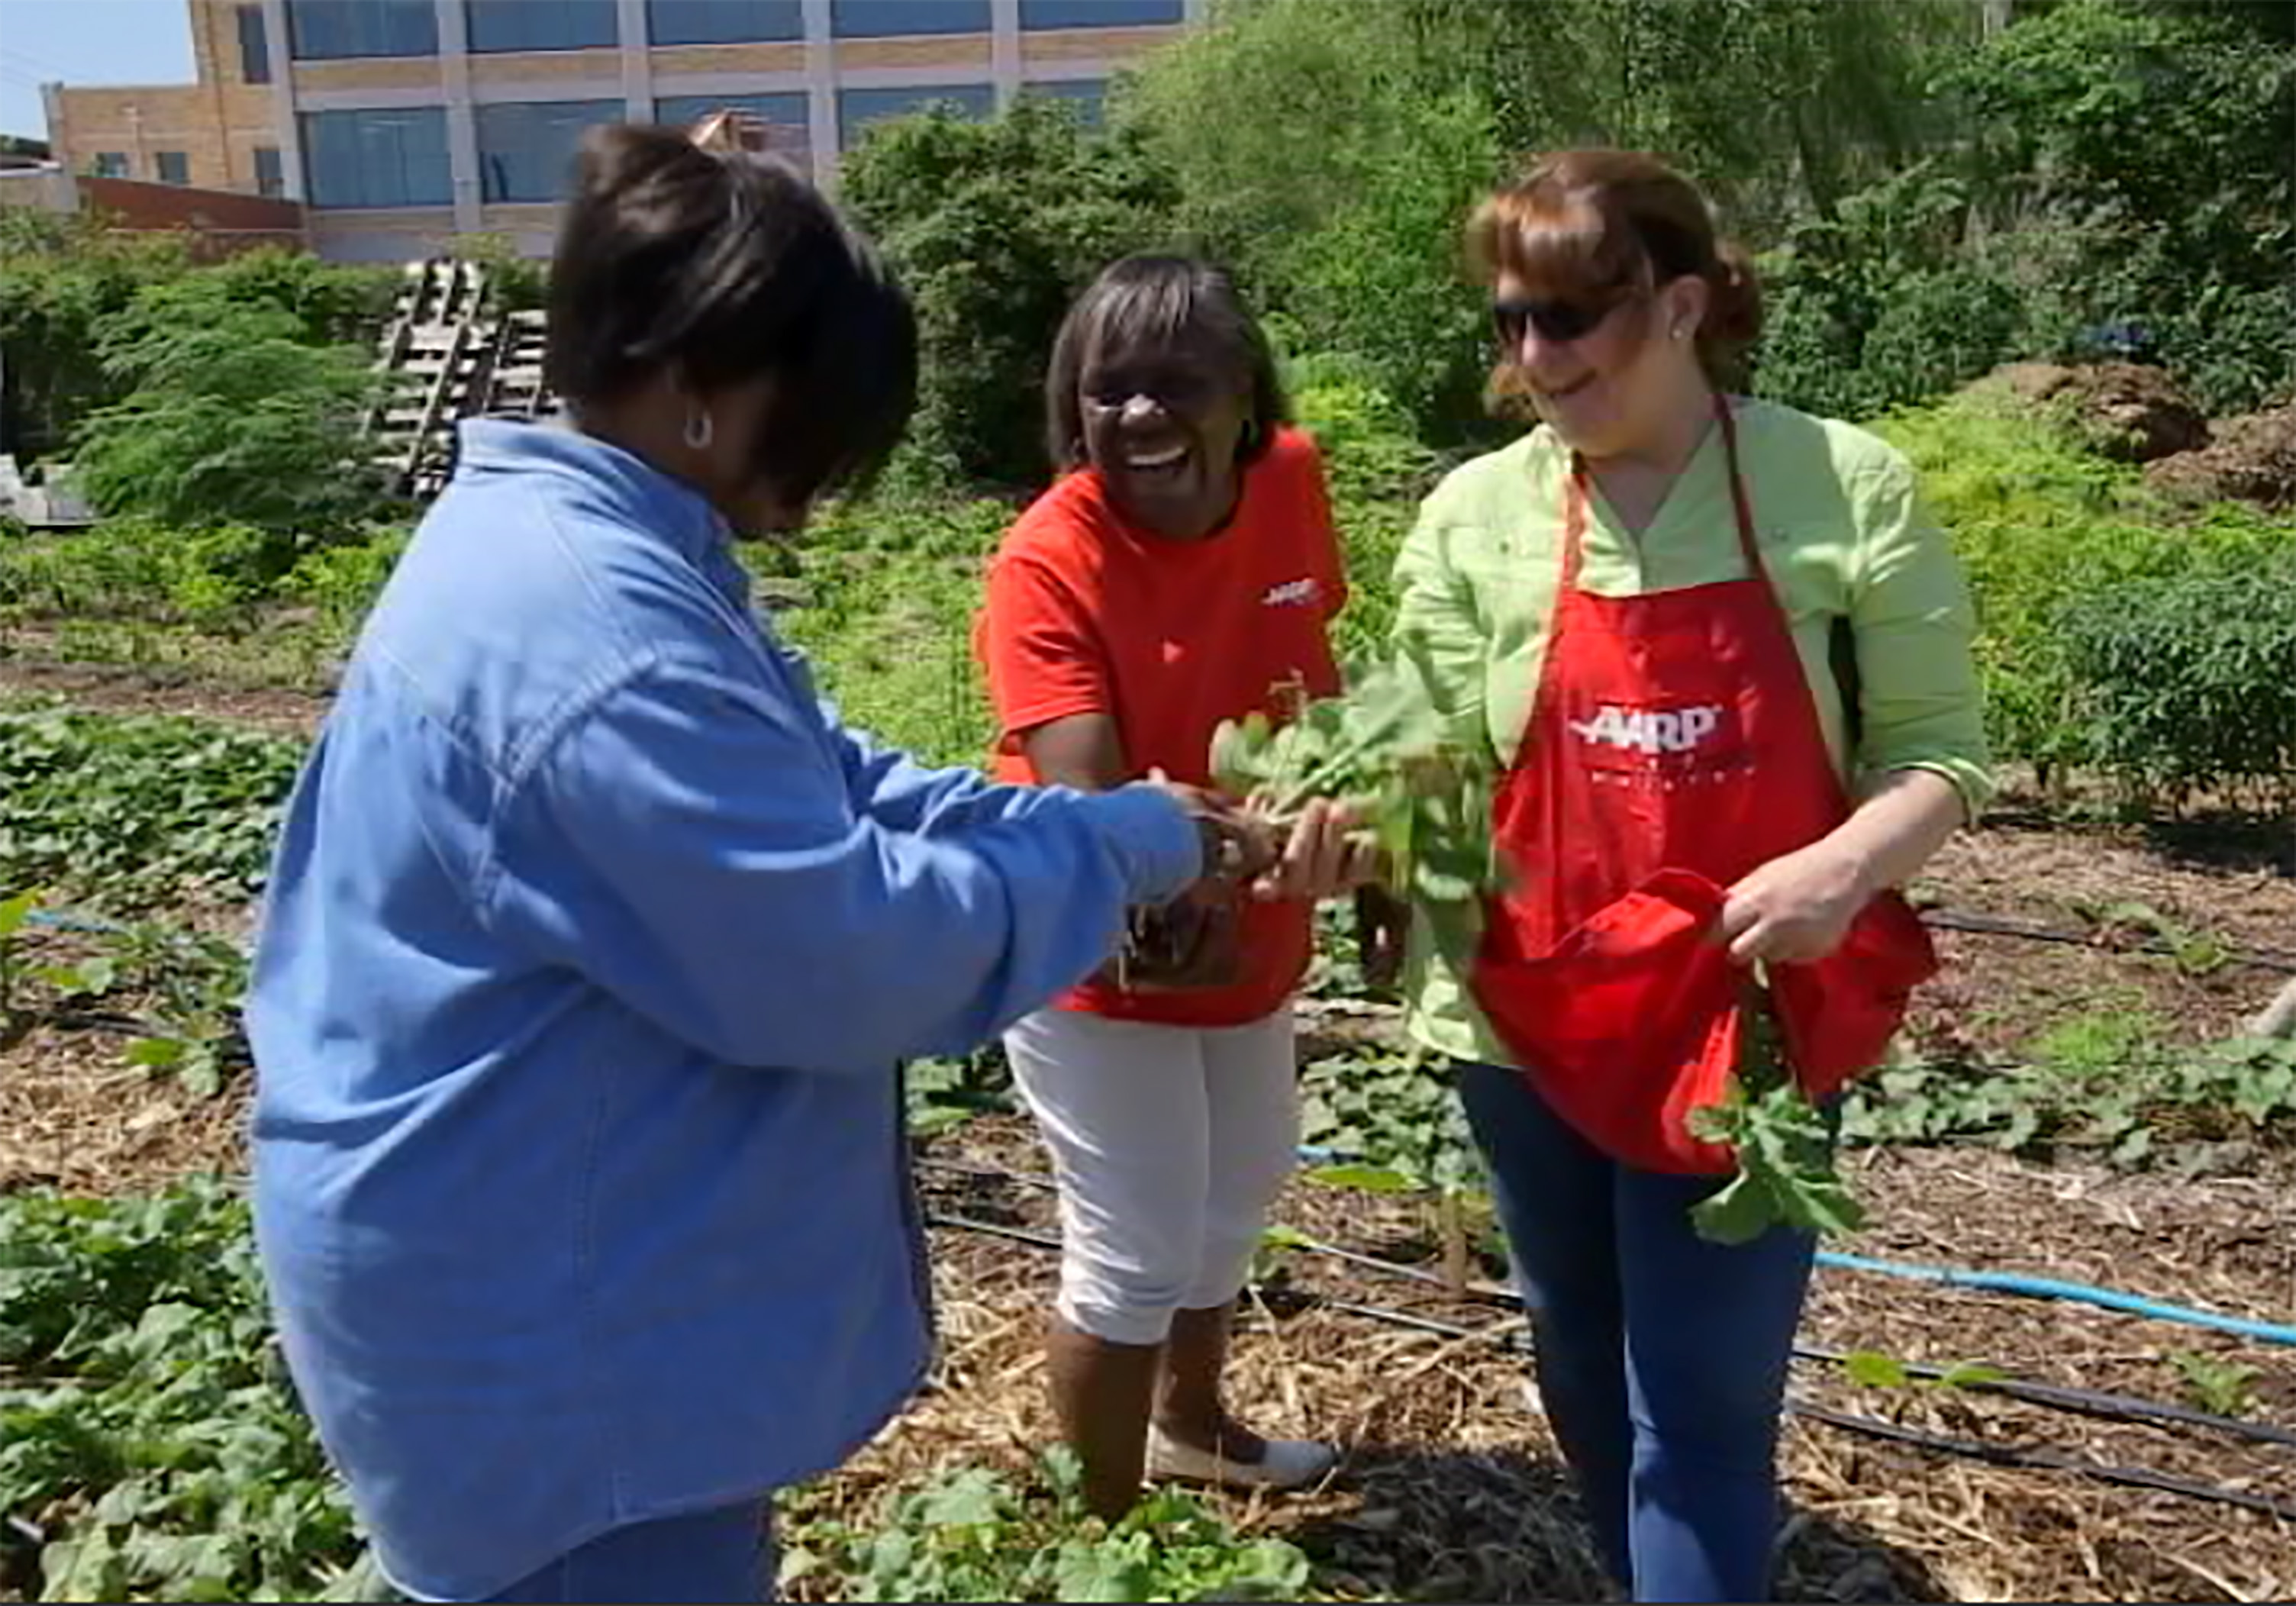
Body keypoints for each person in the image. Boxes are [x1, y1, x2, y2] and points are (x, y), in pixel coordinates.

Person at [245, 128, 1276, 1604]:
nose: (834, 470)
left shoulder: (584, 548)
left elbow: (824, 778)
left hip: (538, 1275)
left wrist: (1101, 829)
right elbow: (843, 955)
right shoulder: (590, 629)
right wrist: (1123, 849)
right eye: (827, 415)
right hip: (557, 1342)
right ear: (702, 391)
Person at [1377, 150, 1991, 1602]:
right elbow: (1428, 755)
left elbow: (1941, 756)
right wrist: (1365, 815)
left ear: (1684, 304)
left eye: (1576, 314)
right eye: (1513, 320)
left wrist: (1843, 865)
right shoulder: (1479, 512)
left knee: (1701, 1415)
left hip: (1749, 1020)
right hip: (1526, 1014)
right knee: (1583, 1360)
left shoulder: (1836, 482)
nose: (1539, 354)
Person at [975, 256, 1370, 1520]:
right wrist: (1284, 840)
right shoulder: (1047, 560)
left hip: (1241, 928)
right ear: (1072, 409)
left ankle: (1192, 1430)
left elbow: (1322, 683)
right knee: (1133, 1247)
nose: (1141, 416)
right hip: (1104, 952)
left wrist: (1367, 813)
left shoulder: (1290, 484)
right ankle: (1110, 1539)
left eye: (1176, 384)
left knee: (1239, 1187)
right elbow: (1100, 816)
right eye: (1109, 392)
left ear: (1244, 396)